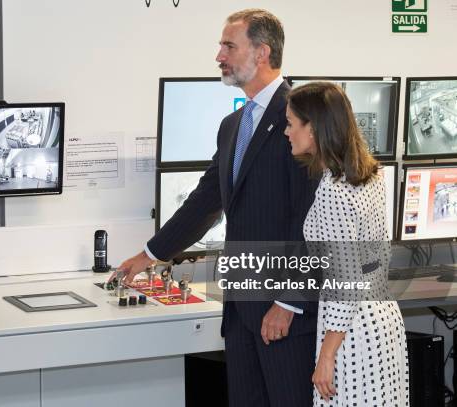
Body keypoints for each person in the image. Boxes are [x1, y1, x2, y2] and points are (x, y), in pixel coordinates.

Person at [117, 9, 318, 407]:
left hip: (284, 313)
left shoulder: (300, 118)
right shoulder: (232, 124)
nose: (219, 56)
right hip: (242, 311)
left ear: (262, 52)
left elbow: (310, 221)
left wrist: (288, 301)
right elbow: (207, 200)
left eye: (229, 45)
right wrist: (150, 254)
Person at [284, 82, 409, 406]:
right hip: (383, 319)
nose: (287, 132)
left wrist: (326, 356)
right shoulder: (368, 175)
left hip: (352, 334)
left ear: (313, 128)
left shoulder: (333, 192)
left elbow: (345, 283)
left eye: (291, 123)